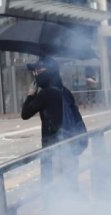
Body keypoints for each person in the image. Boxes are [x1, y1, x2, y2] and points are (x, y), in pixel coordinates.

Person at [20, 57, 85, 186]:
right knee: (71, 186)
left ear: (48, 71)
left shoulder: (46, 94)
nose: (35, 74)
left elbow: (25, 114)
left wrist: (30, 95)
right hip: (70, 145)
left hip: (54, 150)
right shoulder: (65, 91)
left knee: (54, 189)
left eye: (38, 70)